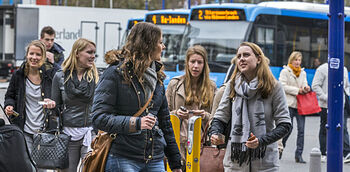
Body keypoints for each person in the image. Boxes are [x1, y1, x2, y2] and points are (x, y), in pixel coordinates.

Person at [92, 22, 182, 172]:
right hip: (123, 156)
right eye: (160, 42)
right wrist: (136, 123)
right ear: (147, 44)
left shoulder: (157, 77)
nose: (163, 46)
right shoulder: (114, 73)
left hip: (155, 157)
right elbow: (98, 118)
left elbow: (165, 124)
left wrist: (176, 163)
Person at [209, 42, 291, 171]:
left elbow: (285, 125)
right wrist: (215, 133)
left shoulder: (274, 87)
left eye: (246, 55)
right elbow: (220, 117)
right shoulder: (232, 85)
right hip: (236, 163)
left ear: (258, 59)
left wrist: (261, 140)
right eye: (239, 56)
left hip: (265, 162)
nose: (241, 59)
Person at [4, 40, 58, 169]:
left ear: (44, 57)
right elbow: (9, 96)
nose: (34, 57)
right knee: (27, 166)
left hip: (44, 130)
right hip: (24, 128)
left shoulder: (51, 74)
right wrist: (9, 106)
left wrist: (53, 103)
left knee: (41, 167)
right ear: (27, 55)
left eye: (38, 55)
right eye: (31, 53)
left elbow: (61, 99)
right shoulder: (19, 75)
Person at [51, 38, 99, 172]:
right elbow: (56, 107)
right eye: (89, 52)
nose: (93, 56)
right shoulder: (60, 76)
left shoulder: (97, 77)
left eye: (94, 53)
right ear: (77, 53)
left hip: (91, 133)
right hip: (68, 134)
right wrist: (51, 105)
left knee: (90, 169)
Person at [166, 45, 217, 168]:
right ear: (187, 63)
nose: (196, 66)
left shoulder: (212, 87)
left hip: (201, 144)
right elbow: (164, 114)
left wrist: (204, 115)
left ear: (204, 64)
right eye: (192, 61)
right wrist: (176, 114)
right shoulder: (175, 84)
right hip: (177, 143)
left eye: (199, 62)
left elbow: (216, 118)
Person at [312, 62, 350, 163]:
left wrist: (345, 95)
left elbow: (347, 86)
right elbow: (315, 85)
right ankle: (324, 152)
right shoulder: (322, 69)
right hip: (326, 105)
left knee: (343, 127)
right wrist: (325, 97)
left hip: (341, 104)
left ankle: (347, 152)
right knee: (325, 127)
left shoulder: (344, 69)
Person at [279, 51, 310, 163]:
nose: (297, 62)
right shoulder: (285, 71)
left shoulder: (303, 73)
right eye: (295, 60)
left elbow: (305, 83)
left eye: (299, 60)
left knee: (301, 130)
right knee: (288, 128)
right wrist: (297, 91)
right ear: (291, 60)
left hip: (301, 105)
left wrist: (306, 88)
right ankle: (280, 148)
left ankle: (299, 155)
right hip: (289, 104)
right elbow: (281, 85)